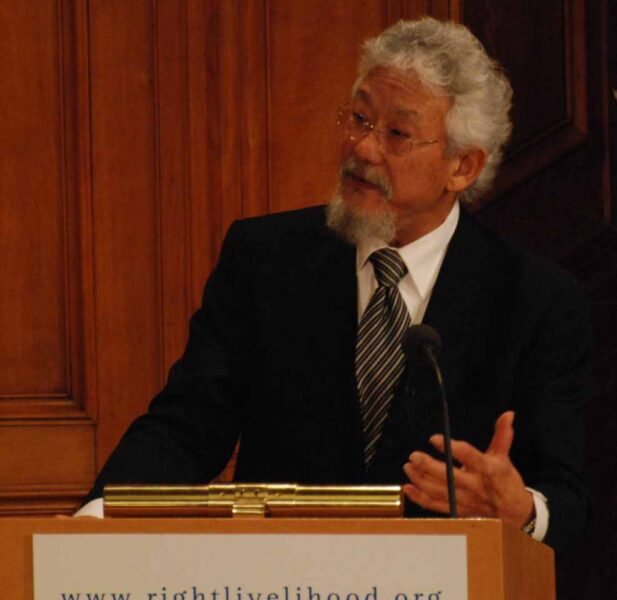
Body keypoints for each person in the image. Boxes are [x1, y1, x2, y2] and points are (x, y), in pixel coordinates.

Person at [78, 17, 590, 556]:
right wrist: (94, 521)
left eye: (396, 133)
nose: (363, 149)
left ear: (462, 166)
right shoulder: (265, 258)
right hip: (276, 578)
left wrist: (522, 510)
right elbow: (188, 425)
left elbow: (566, 497)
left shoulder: (537, 300)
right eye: (360, 118)